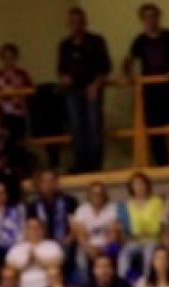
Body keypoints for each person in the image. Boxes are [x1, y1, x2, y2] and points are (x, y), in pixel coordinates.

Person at [124, 3, 169, 166]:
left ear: (159, 17)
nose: (151, 20)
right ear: (142, 20)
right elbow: (127, 61)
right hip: (150, 93)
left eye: (153, 16)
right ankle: (163, 165)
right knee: (155, 134)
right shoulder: (139, 41)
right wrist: (129, 76)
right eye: (147, 17)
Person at [58, 7, 113, 173]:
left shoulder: (96, 41)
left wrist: (96, 85)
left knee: (93, 127)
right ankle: (80, 164)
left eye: (79, 22)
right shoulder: (65, 45)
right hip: (73, 91)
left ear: (85, 23)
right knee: (76, 127)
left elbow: (105, 66)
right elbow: (61, 69)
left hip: (92, 88)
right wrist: (64, 77)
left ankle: (95, 165)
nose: (76, 25)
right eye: (72, 22)